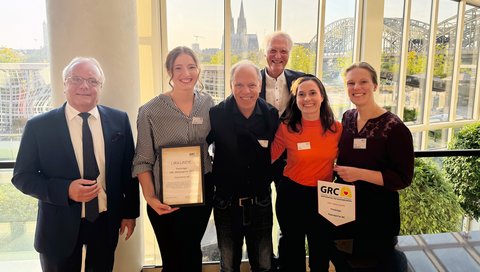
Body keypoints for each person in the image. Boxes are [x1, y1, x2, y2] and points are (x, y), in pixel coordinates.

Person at [12, 57, 140, 271]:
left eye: (92, 81)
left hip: (105, 220)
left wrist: (130, 213)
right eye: (76, 79)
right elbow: (22, 177)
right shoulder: (39, 126)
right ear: (64, 85)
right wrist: (66, 190)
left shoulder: (119, 120)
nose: (84, 86)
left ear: (101, 87)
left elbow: (129, 170)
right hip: (58, 224)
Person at [132, 46, 214, 272]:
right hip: (165, 197)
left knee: (192, 251)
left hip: (201, 195)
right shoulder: (150, 111)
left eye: (191, 67)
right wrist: (150, 197)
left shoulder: (208, 104)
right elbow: (142, 159)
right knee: (172, 258)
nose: (185, 73)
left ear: (198, 70)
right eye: (178, 68)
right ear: (169, 71)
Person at [332, 62, 414, 271]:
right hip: (345, 208)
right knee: (345, 263)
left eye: (363, 82)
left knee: (375, 265)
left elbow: (402, 179)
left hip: (377, 213)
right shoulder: (348, 118)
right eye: (351, 83)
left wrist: (358, 174)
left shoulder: (394, 128)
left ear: (375, 86)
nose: (356, 88)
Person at [208, 60, 279, 272]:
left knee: (264, 265)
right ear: (230, 85)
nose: (245, 91)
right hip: (225, 204)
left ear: (260, 85)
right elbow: (201, 149)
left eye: (251, 85)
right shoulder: (216, 115)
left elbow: (279, 154)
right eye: (239, 85)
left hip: (261, 203)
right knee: (228, 266)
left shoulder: (271, 115)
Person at [271, 76, 342, 272]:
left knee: (321, 248)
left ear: (322, 97)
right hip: (292, 194)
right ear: (295, 99)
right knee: (292, 248)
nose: (307, 99)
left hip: (324, 195)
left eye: (312, 93)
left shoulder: (337, 128)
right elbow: (269, 157)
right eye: (301, 94)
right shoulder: (286, 127)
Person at [261, 30, 308, 272]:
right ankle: (264, 261)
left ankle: (285, 262)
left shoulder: (302, 80)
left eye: (283, 51)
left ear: (289, 54)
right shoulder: (251, 81)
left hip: (291, 159)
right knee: (262, 212)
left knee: (289, 214)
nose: (277, 56)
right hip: (261, 159)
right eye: (273, 50)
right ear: (264, 52)